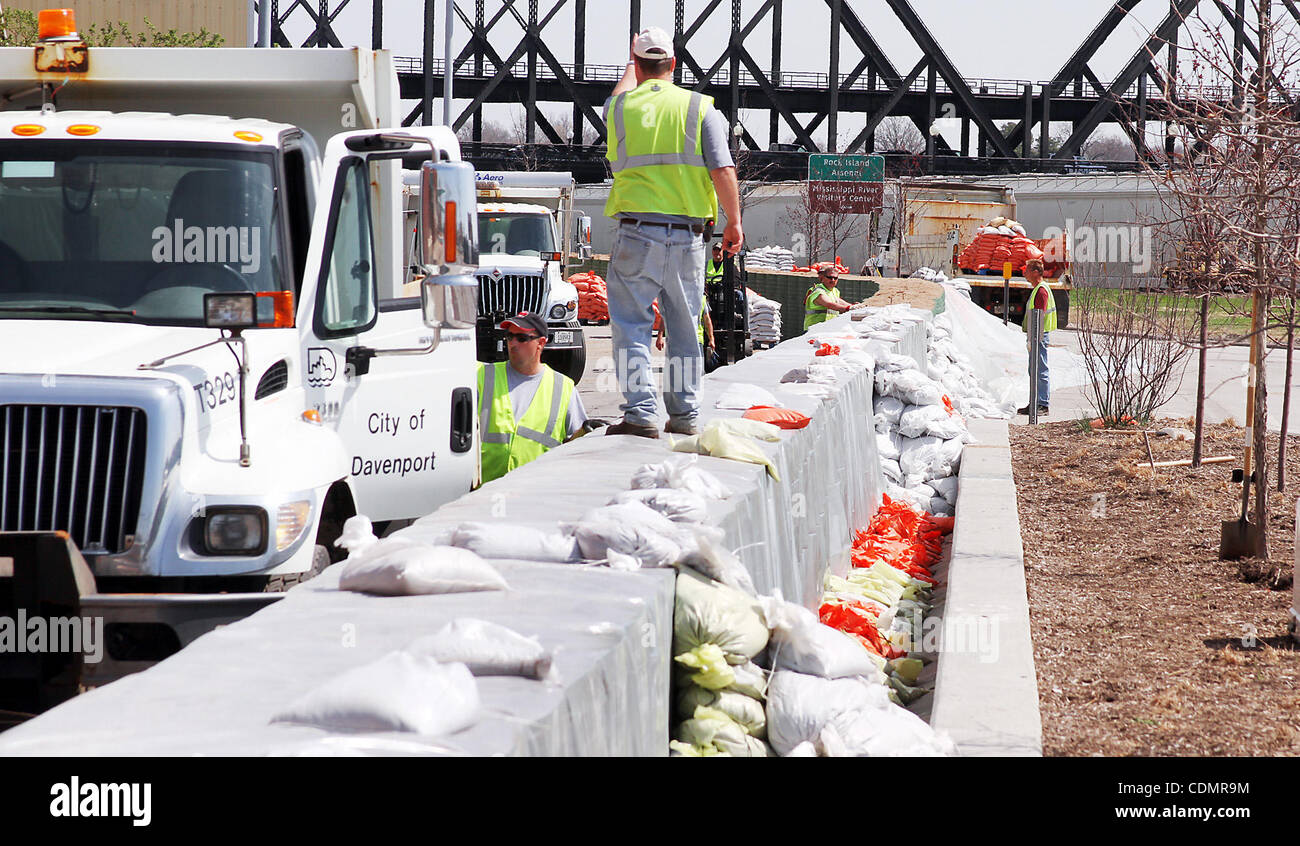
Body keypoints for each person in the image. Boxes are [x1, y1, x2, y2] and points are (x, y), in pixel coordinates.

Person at [602, 25, 743, 439]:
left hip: (635, 233)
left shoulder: (620, 108)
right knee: (684, 325)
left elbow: (618, 93)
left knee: (631, 325)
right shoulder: (701, 108)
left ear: (638, 66)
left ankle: (641, 413)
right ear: (674, 65)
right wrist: (734, 222)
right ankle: (684, 415)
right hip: (688, 237)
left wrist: (631, 62)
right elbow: (722, 169)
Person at [478, 312, 588, 483]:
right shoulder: (483, 375)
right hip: (484, 493)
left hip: (535, 493)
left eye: (522, 338)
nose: (513, 343)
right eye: (509, 336)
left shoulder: (563, 387)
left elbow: (578, 445)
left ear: (541, 343)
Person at [1018, 258, 1057, 416]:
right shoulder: (1037, 289)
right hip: (1035, 335)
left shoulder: (1041, 290)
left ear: (1035, 272)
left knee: (1040, 370)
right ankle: (1034, 403)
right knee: (1033, 370)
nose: (1024, 273)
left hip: (1039, 335)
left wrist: (1034, 339)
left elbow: (1039, 316)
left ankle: (1042, 404)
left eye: (1027, 270)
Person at [802, 265, 860, 330]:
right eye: (830, 277)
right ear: (822, 278)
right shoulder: (818, 291)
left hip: (827, 328)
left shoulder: (834, 291)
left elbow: (838, 301)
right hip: (813, 330)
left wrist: (854, 306)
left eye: (835, 278)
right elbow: (828, 304)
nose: (833, 280)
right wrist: (848, 308)